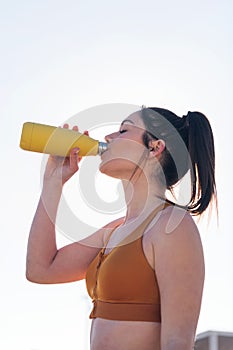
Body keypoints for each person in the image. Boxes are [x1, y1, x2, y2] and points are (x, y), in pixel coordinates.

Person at [26, 107, 217, 350]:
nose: (108, 138)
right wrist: (53, 182)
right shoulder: (113, 231)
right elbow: (40, 269)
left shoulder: (171, 226)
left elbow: (176, 343)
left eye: (123, 130)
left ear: (154, 148)